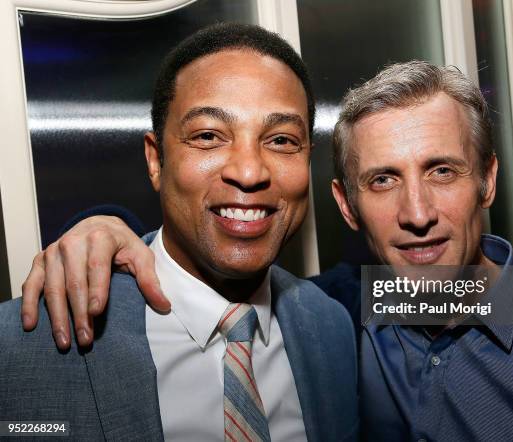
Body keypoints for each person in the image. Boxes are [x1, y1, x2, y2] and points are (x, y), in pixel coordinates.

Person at [20, 62, 513, 440]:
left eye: (443, 171)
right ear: (346, 206)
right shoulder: (340, 310)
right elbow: (216, 272)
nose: (418, 213)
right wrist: (101, 228)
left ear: (488, 181)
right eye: (382, 180)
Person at [0, 23, 358, 442]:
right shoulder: (18, 347)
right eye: (208, 136)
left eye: (281, 140)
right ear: (156, 160)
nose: (248, 171)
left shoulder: (332, 324)